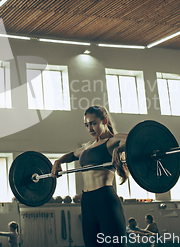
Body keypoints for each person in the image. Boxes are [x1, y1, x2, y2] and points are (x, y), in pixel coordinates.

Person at [51, 105, 129, 247]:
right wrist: (59, 160)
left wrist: (119, 149)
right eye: (87, 125)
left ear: (104, 121)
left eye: (93, 123)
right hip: (87, 202)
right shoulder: (88, 146)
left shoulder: (112, 141)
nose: (90, 129)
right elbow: (73, 154)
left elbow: (132, 138)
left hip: (105, 200)